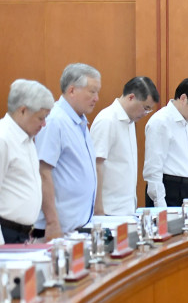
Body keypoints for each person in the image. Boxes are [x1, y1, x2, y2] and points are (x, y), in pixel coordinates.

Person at [33, 63, 101, 240]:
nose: (97, 98)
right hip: (57, 231)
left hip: (77, 228)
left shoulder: (80, 123)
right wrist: (52, 223)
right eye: (92, 92)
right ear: (72, 90)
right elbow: (42, 171)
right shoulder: (55, 121)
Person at [91, 77, 160, 216]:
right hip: (108, 211)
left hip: (126, 209)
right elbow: (95, 166)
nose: (145, 114)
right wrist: (98, 209)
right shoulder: (107, 120)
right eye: (145, 108)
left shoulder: (129, 122)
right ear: (131, 97)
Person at [0, 80, 55, 244]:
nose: (44, 124)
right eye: (41, 118)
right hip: (5, 234)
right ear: (22, 110)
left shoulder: (28, 138)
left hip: (23, 234)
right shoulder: (3, 139)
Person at [143, 78, 188, 207]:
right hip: (168, 191)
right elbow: (153, 168)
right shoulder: (161, 121)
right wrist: (160, 205)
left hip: (187, 190)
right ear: (184, 98)